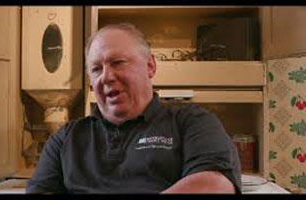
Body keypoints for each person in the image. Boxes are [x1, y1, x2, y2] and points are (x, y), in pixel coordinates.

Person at [26, 23, 241, 194]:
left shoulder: (192, 122)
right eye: (96, 69)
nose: (106, 76)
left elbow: (215, 185)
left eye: (117, 62)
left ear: (150, 66)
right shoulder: (66, 139)